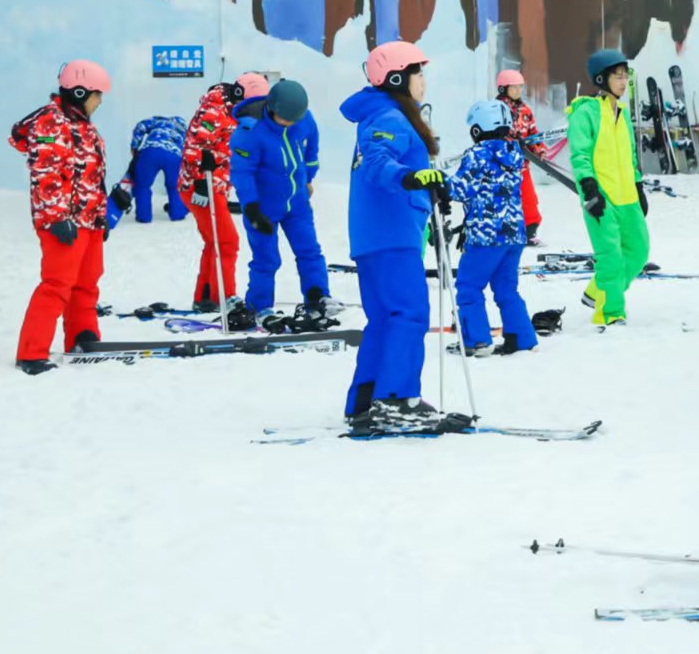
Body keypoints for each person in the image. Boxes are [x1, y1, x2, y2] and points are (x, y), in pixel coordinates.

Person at [341, 42, 458, 431]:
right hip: (391, 234)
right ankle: (395, 400)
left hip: (377, 235)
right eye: (418, 73)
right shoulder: (388, 117)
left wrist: (430, 185)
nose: (423, 81)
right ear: (396, 79)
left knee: (385, 318)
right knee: (409, 313)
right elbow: (378, 163)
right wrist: (410, 177)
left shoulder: (382, 115)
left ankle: (365, 400)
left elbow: (394, 166)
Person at [9, 61, 112, 374]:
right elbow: (46, 173)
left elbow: (93, 177)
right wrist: (55, 217)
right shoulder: (51, 123)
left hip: (88, 219)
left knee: (87, 281)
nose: (100, 101)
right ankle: (31, 352)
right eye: (97, 94)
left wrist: (101, 216)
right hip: (62, 221)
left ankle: (82, 337)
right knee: (57, 285)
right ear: (80, 92)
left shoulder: (83, 126)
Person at [227, 79, 327, 330]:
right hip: (263, 208)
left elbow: (311, 148)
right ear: (271, 109)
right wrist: (252, 208)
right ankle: (259, 307)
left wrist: (308, 178)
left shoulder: (304, 119)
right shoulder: (249, 133)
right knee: (266, 259)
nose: (290, 123)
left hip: (297, 204)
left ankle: (318, 298)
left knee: (310, 251)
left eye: (295, 119)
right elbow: (242, 173)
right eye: (285, 119)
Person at [449, 99, 538, 357]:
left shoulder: (476, 155)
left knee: (469, 286)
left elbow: (460, 189)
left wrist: (438, 181)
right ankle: (521, 338)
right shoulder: (514, 154)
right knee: (506, 289)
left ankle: (476, 340)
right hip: (514, 234)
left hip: (485, 236)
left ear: (477, 129)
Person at [569, 49, 650, 328]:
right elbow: (579, 155)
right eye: (618, 76)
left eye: (626, 76)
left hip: (627, 196)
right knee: (610, 257)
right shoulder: (585, 113)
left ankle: (597, 291)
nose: (624, 81)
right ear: (602, 79)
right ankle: (610, 312)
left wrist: (638, 186)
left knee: (638, 251)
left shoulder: (623, 114)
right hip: (601, 197)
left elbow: (630, 155)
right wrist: (589, 188)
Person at [179, 71, 269, 312]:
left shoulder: (232, 111)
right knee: (228, 241)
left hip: (214, 185)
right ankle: (225, 296)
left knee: (215, 241)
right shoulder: (214, 109)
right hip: (201, 186)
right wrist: (200, 182)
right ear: (240, 95)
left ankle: (206, 296)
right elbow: (195, 146)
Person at [495, 69, 544, 245]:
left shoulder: (525, 111)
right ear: (503, 89)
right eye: (514, 87)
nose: (518, 91)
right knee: (505, 198)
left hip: (522, 165)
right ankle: (504, 230)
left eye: (520, 87)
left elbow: (533, 133)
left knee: (529, 199)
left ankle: (530, 231)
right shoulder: (495, 110)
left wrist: (538, 149)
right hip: (503, 166)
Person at [126, 114, 189, 223]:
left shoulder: (156, 121)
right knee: (174, 186)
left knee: (143, 185)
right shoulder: (184, 130)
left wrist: (135, 146)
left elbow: (140, 127)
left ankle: (143, 217)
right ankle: (178, 213)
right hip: (174, 155)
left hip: (150, 151)